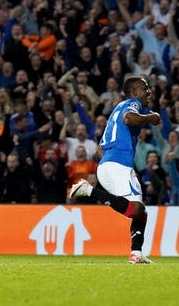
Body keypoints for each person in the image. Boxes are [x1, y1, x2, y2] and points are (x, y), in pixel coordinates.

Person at [68, 76, 161, 264]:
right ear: (134, 92)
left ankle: (136, 253)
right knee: (135, 210)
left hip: (110, 165)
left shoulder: (114, 115)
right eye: (145, 88)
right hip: (119, 164)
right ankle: (89, 190)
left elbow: (99, 151)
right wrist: (151, 117)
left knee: (140, 212)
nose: (149, 92)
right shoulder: (131, 104)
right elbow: (130, 118)